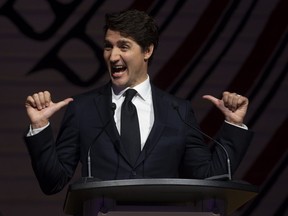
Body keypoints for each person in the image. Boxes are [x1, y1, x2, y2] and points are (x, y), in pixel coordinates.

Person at [24, 9, 253, 195]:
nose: (113, 56)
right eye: (108, 46)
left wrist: (233, 125)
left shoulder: (178, 111)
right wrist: (39, 127)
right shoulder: (83, 108)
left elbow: (208, 177)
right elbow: (53, 183)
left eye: (123, 46)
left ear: (147, 50)